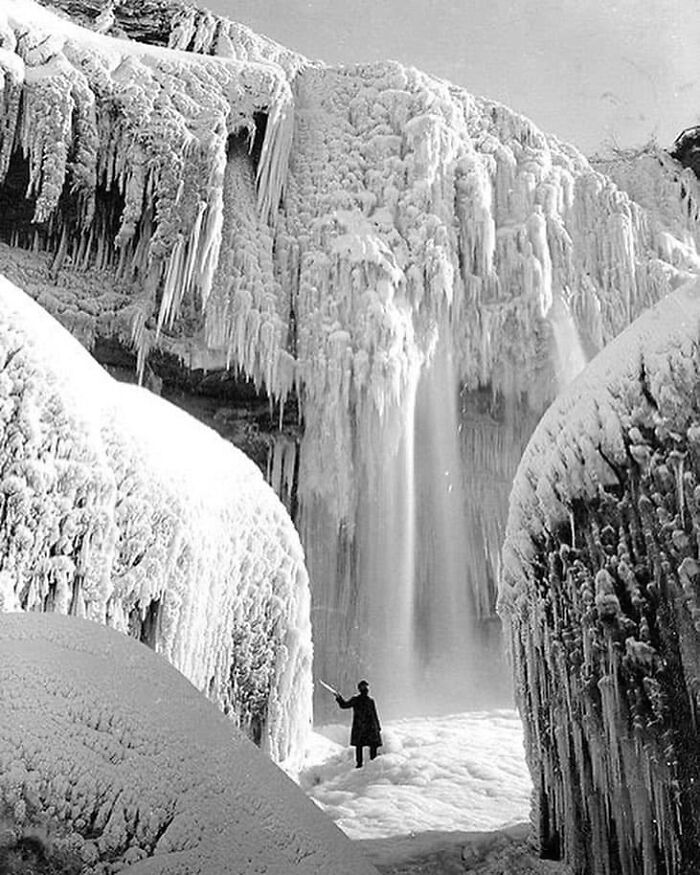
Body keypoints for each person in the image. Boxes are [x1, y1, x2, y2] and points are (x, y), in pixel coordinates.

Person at [335, 680, 382, 768]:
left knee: (368, 745)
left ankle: (369, 763)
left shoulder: (369, 700)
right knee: (362, 746)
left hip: (366, 726)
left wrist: (378, 726)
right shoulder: (358, 700)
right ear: (360, 689)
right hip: (364, 726)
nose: (366, 689)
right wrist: (339, 698)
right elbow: (344, 705)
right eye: (364, 687)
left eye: (367, 687)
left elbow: (374, 714)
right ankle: (362, 764)